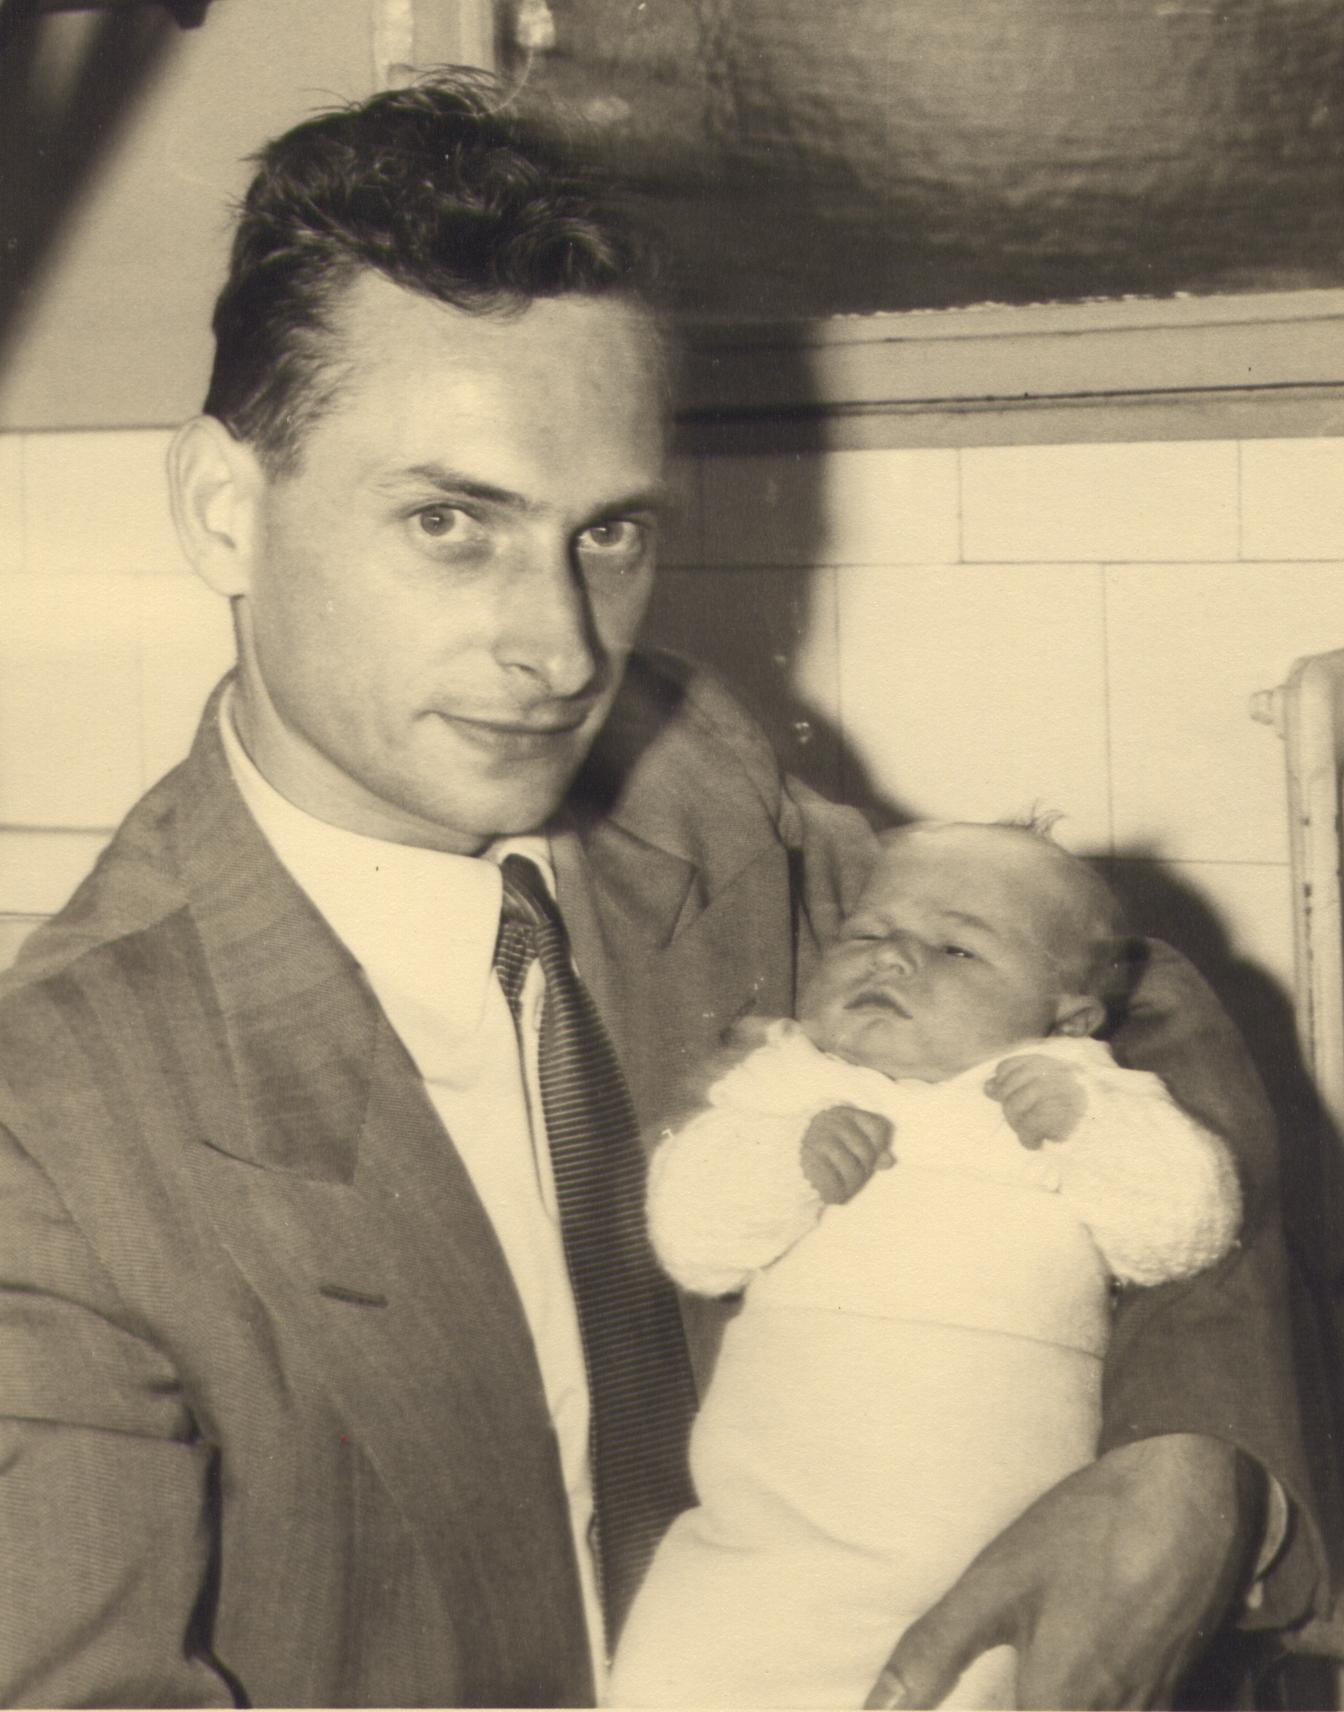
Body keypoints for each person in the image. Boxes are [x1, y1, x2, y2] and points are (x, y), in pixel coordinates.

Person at [0, 69, 1324, 1710]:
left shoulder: (686, 774)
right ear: (224, 511)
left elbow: (1127, 998)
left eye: (609, 534)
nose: (561, 649)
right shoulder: (52, 1129)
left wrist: (1196, 1469)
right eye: (450, 522)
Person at [610, 821, 1243, 1708]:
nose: (893, 959)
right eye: (866, 934)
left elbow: (1183, 1231)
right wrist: (783, 1162)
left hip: (988, 1559)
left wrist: (1089, 1128)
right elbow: (693, 1240)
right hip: (770, 1548)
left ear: (1068, 1017)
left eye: (956, 949)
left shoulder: (1081, 1090)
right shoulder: (787, 1085)